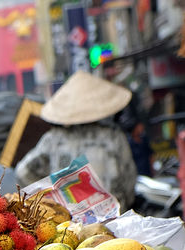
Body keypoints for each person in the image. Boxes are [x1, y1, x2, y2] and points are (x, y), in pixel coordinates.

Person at [16, 71, 137, 211]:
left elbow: (23, 172)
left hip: (69, 224)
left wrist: (48, 199)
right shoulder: (113, 137)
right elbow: (129, 181)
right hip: (112, 219)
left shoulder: (54, 139)